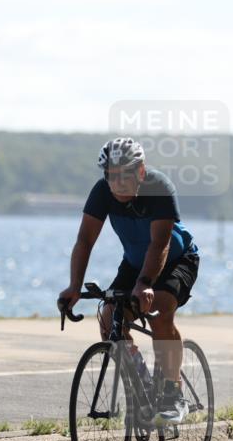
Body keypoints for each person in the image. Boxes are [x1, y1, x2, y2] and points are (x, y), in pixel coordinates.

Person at [58, 137, 200, 422]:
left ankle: (173, 393)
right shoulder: (102, 193)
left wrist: (145, 283)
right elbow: (85, 240)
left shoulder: (159, 188)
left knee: (159, 312)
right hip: (135, 262)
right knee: (109, 316)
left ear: (141, 172)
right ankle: (144, 387)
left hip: (175, 260)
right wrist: (74, 287)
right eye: (112, 176)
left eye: (126, 175)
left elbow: (160, 243)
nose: (118, 182)